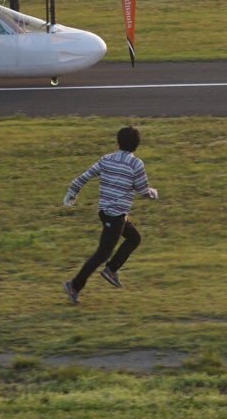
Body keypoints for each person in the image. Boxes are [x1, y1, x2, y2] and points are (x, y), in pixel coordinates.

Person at [61, 125, 158, 304]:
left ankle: (111, 269)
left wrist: (72, 192)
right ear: (137, 144)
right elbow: (143, 190)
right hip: (115, 215)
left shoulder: (106, 159)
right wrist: (153, 193)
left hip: (107, 213)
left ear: (118, 142)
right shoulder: (136, 164)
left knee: (134, 238)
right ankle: (74, 285)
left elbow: (85, 176)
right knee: (102, 254)